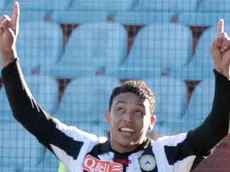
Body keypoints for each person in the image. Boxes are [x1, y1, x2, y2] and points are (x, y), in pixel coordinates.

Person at [1, 2, 230, 172]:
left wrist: (223, 74)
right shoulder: (81, 148)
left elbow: (217, 129)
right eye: (120, 110)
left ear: (151, 122)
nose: (127, 118)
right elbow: (27, 113)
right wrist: (8, 55)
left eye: (139, 112)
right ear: (108, 116)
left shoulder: (168, 155)